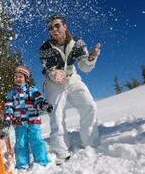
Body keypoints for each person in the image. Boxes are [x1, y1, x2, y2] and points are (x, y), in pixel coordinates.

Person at [39, 15, 101, 164]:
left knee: (89, 105)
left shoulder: (77, 43)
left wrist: (91, 58)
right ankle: (61, 150)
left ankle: (89, 143)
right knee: (57, 114)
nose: (53, 30)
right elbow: (48, 69)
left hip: (72, 78)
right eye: (50, 28)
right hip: (53, 83)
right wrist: (54, 74)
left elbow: (85, 67)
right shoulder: (45, 49)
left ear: (65, 26)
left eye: (57, 25)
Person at [0, 66, 52, 172]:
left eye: (20, 77)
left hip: (33, 121)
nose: (18, 79)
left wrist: (43, 105)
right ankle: (22, 164)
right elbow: (9, 108)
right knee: (21, 143)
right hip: (19, 123)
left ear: (26, 78)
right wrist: (7, 122)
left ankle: (41, 161)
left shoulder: (32, 90)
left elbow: (39, 100)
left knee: (36, 140)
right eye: (16, 77)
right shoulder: (11, 94)